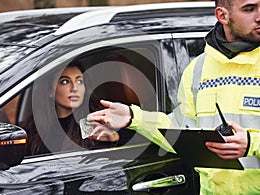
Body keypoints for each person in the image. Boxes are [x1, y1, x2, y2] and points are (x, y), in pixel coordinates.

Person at [87, 0, 260, 194]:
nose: (259, 16)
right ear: (222, 16)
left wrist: (252, 144)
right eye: (249, 9)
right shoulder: (199, 69)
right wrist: (133, 117)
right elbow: (180, 130)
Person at [24, 62, 134, 155]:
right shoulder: (36, 126)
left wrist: (115, 137)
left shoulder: (98, 118)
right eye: (65, 81)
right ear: (50, 91)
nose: (74, 88)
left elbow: (137, 141)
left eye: (79, 81)